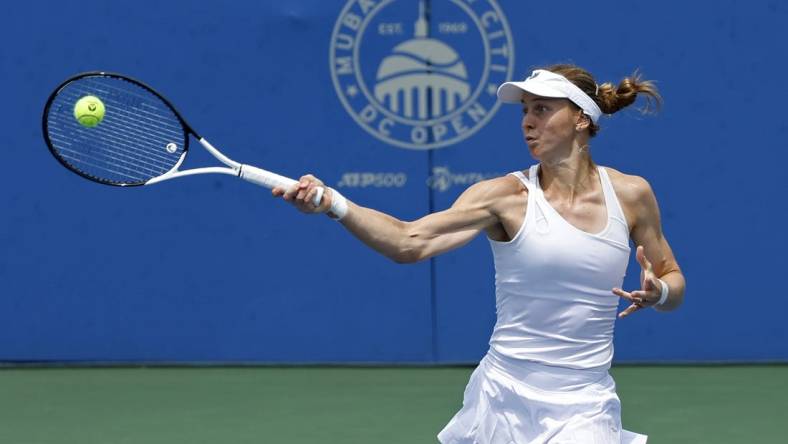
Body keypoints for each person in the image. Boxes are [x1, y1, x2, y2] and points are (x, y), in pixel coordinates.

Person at [272, 63, 685, 444]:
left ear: (580, 118)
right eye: (524, 110)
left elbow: (671, 277)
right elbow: (408, 241)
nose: (527, 121)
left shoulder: (632, 195)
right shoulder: (504, 198)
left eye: (541, 109)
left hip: (585, 402)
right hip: (501, 397)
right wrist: (333, 204)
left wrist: (659, 293)